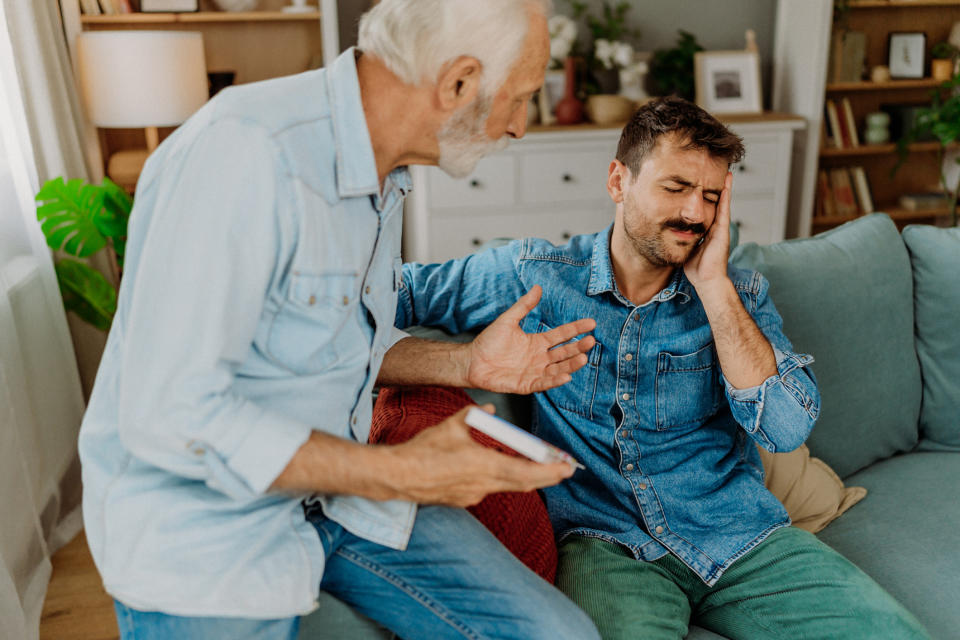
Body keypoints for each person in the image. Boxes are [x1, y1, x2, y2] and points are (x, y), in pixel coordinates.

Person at [77, 0, 602, 638]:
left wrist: (466, 363)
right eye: (519, 99)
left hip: (335, 497)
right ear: (458, 82)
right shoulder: (247, 154)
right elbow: (170, 411)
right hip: (206, 531)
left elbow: (342, 342)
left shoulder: (388, 174)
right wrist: (402, 471)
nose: (520, 126)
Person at [392, 96, 931, 639]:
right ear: (618, 181)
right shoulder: (539, 276)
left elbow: (785, 430)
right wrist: (458, 362)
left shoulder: (739, 295)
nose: (694, 213)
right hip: (605, 545)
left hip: (739, 536)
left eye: (711, 197)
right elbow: (389, 295)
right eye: (675, 188)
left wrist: (715, 287)